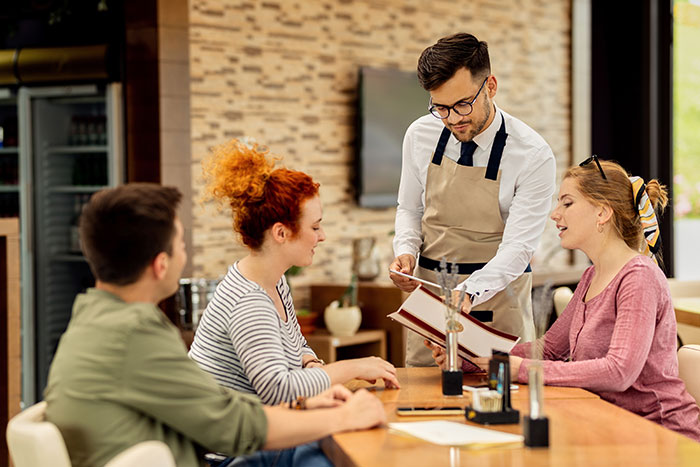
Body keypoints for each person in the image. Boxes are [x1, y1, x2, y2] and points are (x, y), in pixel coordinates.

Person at [44, 183, 386, 467]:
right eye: (181, 245)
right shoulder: (135, 334)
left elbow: (215, 405)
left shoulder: (92, 318)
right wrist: (344, 417)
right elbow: (232, 427)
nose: (185, 256)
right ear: (161, 265)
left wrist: (302, 405)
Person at [428, 158, 700, 441]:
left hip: (662, 436)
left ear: (602, 213)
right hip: (612, 426)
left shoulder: (639, 276)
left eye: (567, 203)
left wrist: (524, 370)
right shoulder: (591, 276)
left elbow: (619, 371)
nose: (554, 214)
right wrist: (468, 359)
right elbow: (548, 350)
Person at [189, 140, 400, 406]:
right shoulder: (249, 302)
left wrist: (312, 364)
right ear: (281, 233)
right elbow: (278, 390)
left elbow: (294, 345)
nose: (322, 236)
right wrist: (353, 368)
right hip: (238, 446)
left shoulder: (274, 282)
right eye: (314, 227)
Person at [389, 32, 556, 367]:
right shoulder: (419, 135)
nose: (452, 119)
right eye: (441, 108)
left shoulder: (532, 154)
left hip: (500, 300)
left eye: (462, 104)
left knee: (502, 402)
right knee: (423, 403)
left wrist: (470, 290)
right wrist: (405, 252)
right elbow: (410, 208)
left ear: (490, 86)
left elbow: (519, 247)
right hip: (432, 300)